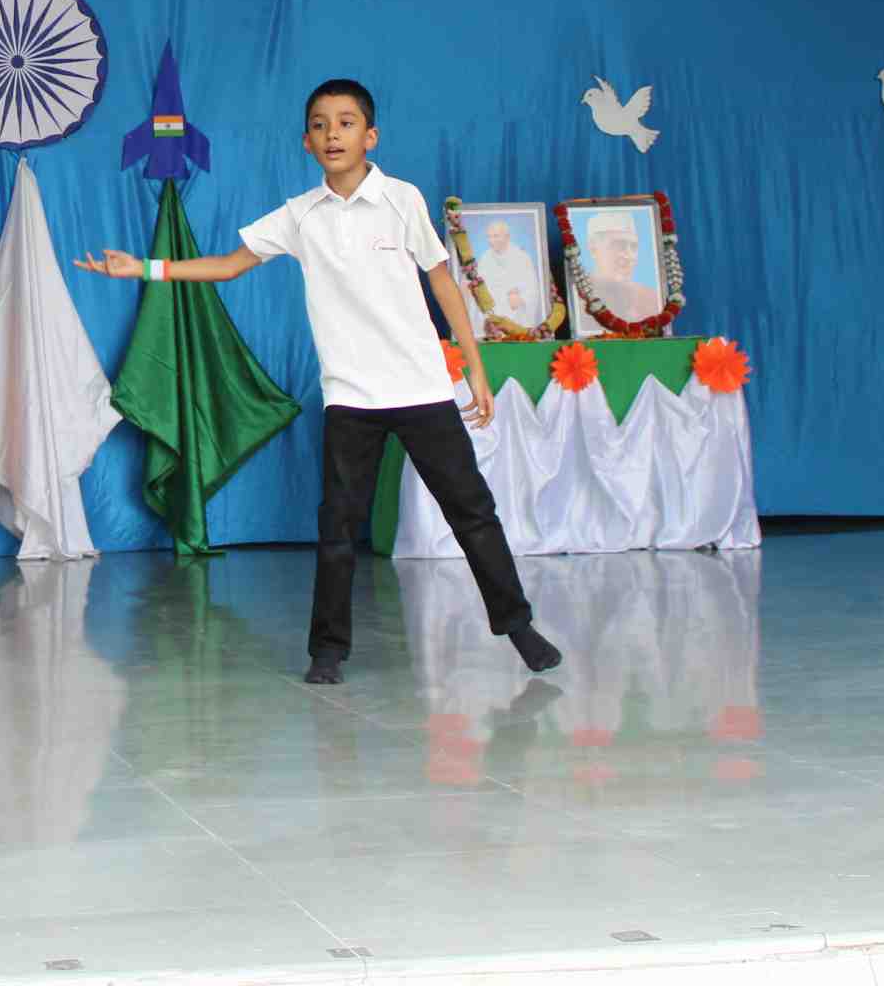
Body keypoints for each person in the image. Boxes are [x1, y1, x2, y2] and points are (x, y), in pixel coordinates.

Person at [76, 77, 561, 684]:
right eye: (320, 124)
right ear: (306, 142)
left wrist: (475, 367)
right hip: (351, 399)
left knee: (472, 512)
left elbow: (442, 281)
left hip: (422, 391)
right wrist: (146, 268)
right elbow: (229, 266)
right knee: (337, 527)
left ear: (370, 136)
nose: (333, 134)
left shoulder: (402, 199)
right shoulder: (300, 216)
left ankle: (518, 626)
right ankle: (327, 651)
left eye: (346, 122)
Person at [581, 210, 664, 326]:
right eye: (619, 245)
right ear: (593, 249)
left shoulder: (650, 299)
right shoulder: (580, 299)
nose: (629, 256)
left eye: (633, 247)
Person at [473, 212, 544, 336]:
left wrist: (521, 299)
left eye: (496, 236)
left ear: (507, 237)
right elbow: (480, 290)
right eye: (489, 237)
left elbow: (533, 291)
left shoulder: (522, 257)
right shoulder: (484, 259)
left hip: (517, 318)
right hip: (493, 319)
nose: (491, 241)